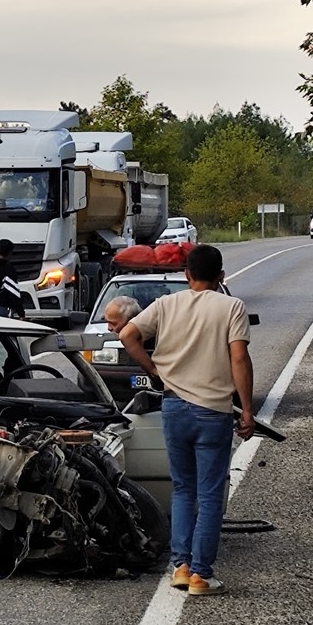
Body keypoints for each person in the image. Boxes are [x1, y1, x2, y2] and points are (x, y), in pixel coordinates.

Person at [118, 244, 254, 596]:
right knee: (209, 495)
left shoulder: (166, 304)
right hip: (213, 411)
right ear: (221, 276)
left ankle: (180, 567)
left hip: (174, 408)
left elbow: (127, 335)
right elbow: (239, 359)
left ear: (186, 275)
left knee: (183, 489)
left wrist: (153, 370)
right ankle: (200, 576)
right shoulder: (232, 307)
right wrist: (248, 411)